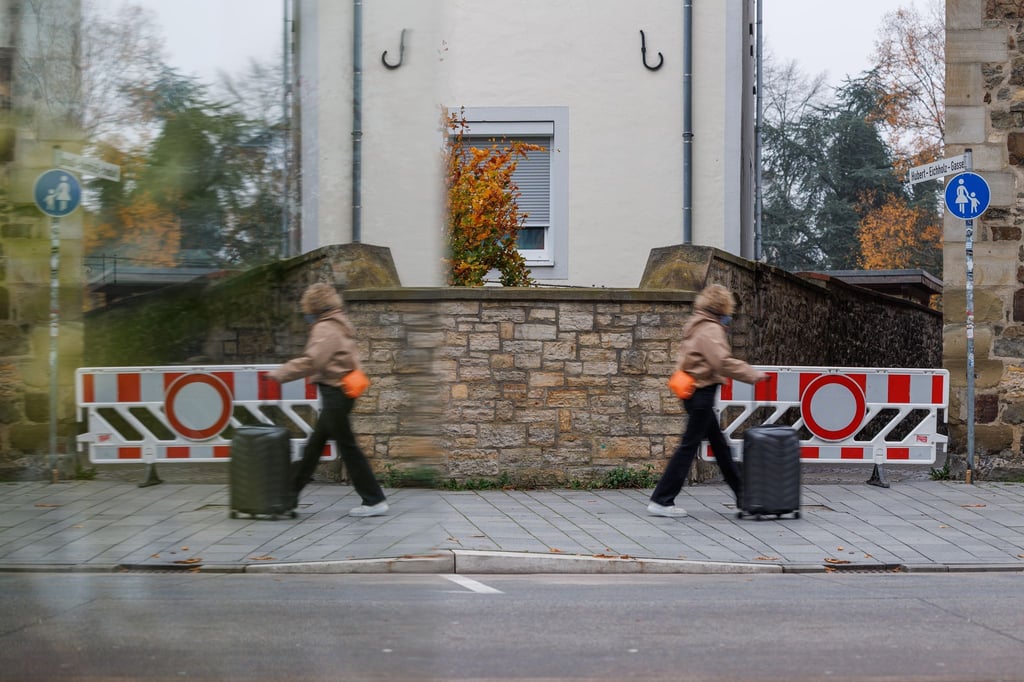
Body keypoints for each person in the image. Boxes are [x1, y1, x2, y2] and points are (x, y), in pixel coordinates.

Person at [267, 283, 388, 517]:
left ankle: (374, 500)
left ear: (314, 306)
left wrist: (281, 373)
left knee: (347, 447)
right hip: (342, 391)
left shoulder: (326, 328)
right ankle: (287, 499)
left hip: (335, 392)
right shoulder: (339, 322)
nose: (306, 314)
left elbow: (313, 361)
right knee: (315, 446)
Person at [648, 283, 768, 518]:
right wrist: (752, 374)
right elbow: (721, 362)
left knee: (720, 447)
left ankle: (744, 498)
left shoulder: (696, 324)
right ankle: (661, 499)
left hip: (695, 392)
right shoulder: (710, 330)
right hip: (701, 393)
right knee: (688, 447)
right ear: (723, 308)